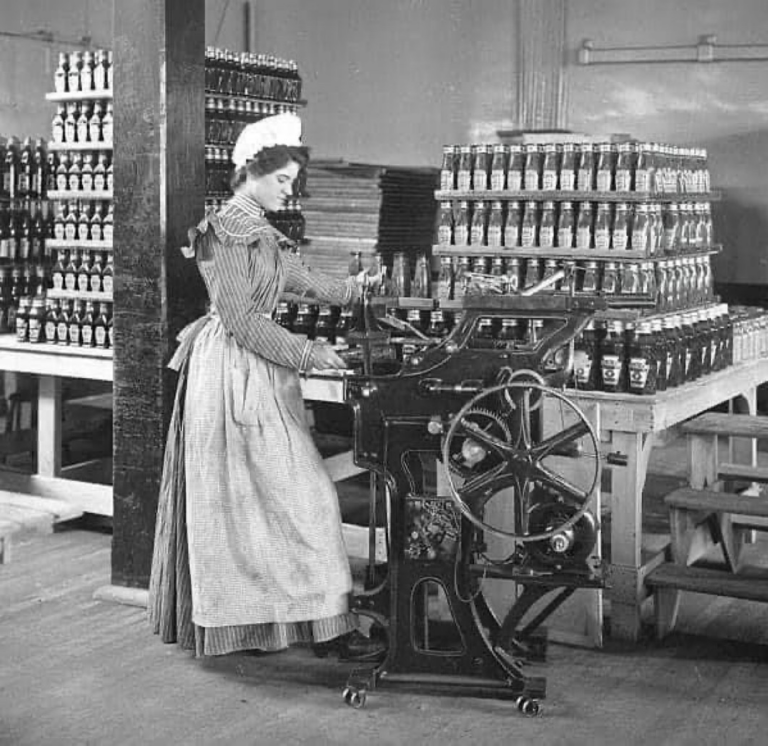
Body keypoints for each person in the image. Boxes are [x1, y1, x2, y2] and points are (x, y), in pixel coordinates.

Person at [149, 112, 369, 657]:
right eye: (282, 181)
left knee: (267, 501)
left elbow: (297, 280)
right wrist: (310, 353)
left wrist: (355, 291)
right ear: (250, 172)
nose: (288, 192)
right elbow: (244, 321)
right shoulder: (221, 232)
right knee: (290, 497)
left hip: (257, 371)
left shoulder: (258, 231)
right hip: (230, 374)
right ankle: (309, 627)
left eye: (293, 183)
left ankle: (296, 622)